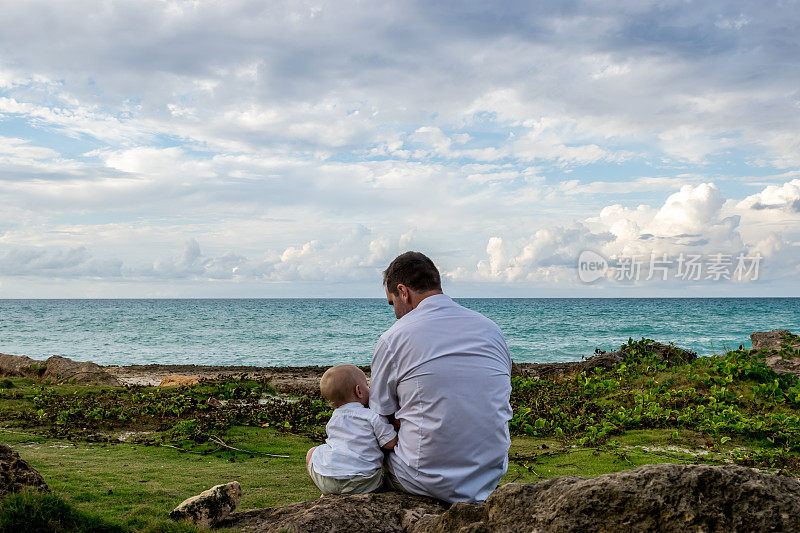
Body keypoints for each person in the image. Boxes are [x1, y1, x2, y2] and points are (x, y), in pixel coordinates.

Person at [370, 251, 512, 503]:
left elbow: (381, 413)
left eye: (392, 304)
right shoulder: (491, 329)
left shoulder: (394, 338)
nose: (395, 313)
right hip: (489, 474)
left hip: (423, 477)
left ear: (403, 292)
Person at [305, 364, 398, 495]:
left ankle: (327, 492)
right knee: (384, 465)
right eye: (367, 385)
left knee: (312, 453)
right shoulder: (372, 416)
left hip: (329, 480)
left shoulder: (334, 418)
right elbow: (390, 443)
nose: (369, 388)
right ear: (359, 391)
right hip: (363, 483)